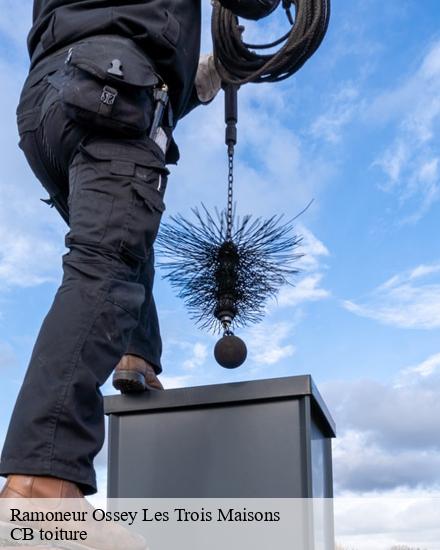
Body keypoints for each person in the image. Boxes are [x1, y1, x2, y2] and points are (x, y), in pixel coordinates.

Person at [0, 0, 223, 511]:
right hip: (112, 89)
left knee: (121, 239)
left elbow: (113, 20)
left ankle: (136, 354)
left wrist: (196, 81)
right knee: (105, 263)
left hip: (45, 107)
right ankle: (40, 490)